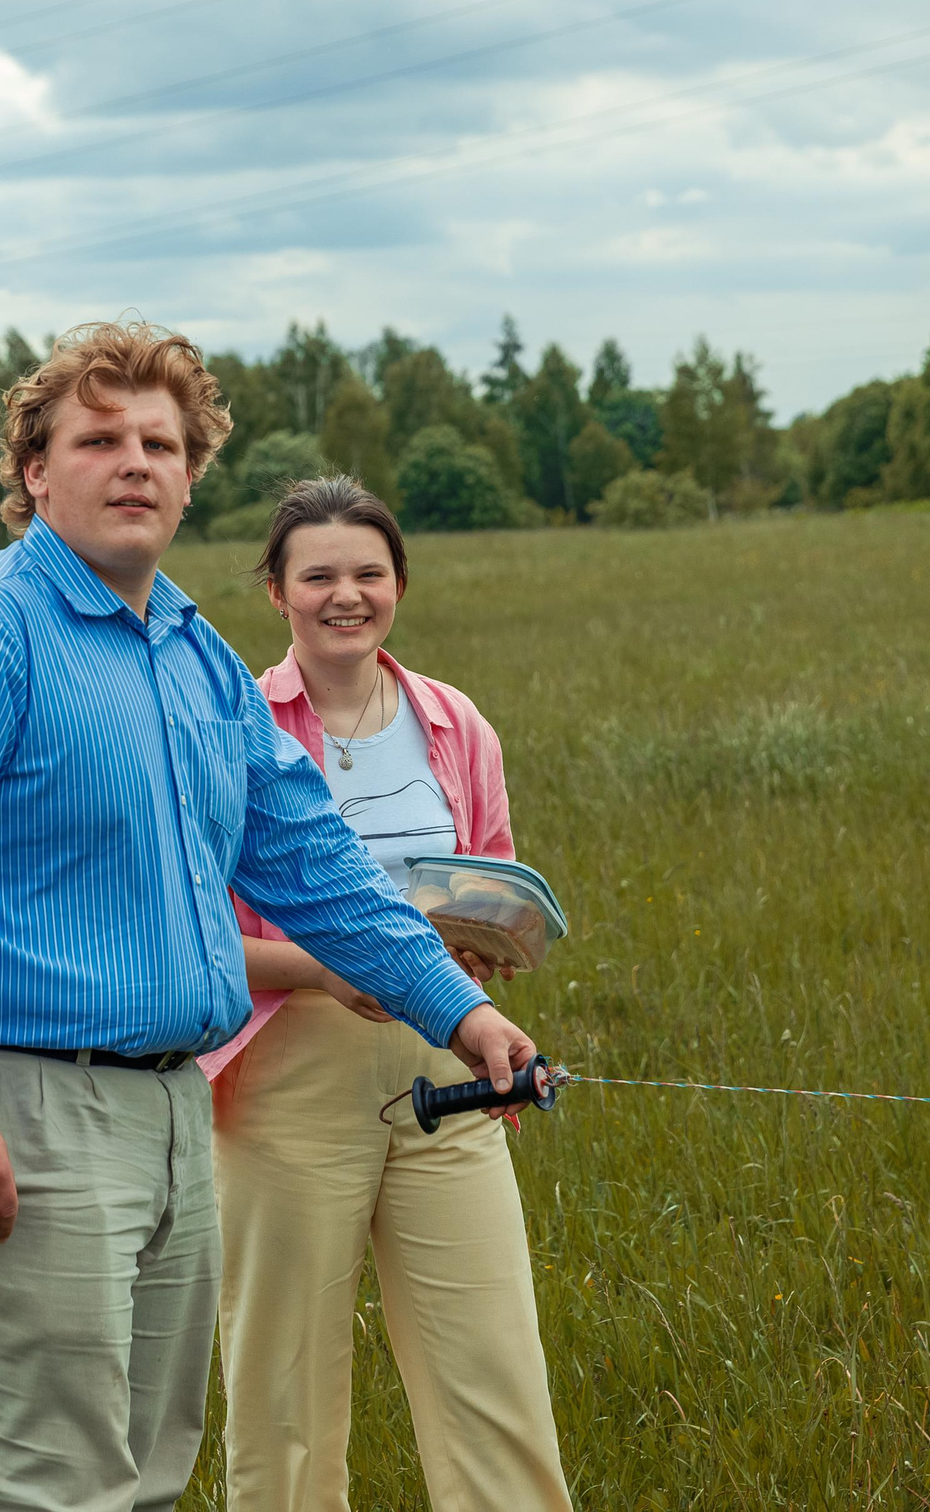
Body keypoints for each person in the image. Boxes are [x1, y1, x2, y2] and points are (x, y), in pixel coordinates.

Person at [0, 322, 545, 1512]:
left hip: (170, 1107)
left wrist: (457, 1012)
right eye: (97, 440)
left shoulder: (193, 654)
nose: (134, 464)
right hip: (20, 1105)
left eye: (161, 444)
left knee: (148, 1475)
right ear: (33, 471)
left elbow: (311, 861)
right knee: (48, 1485)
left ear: (191, 475)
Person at [203, 477, 573, 1512]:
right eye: (317, 575)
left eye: (369, 573)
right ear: (276, 591)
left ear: (398, 584)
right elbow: (193, 941)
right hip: (283, 1081)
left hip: (444, 1066)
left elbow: (493, 889)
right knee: (282, 1396)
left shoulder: (456, 722)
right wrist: (326, 967)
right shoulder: (231, 726)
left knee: (496, 1377)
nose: (346, 595)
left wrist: (482, 965)